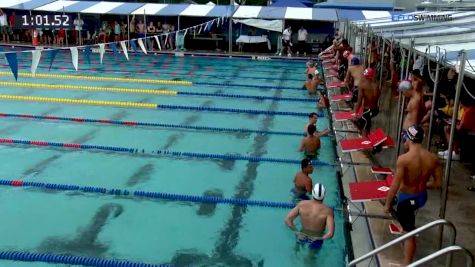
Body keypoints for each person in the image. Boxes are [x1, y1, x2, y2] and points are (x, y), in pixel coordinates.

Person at [384, 125, 442, 265]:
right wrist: (422, 184)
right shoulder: (432, 158)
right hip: (421, 197)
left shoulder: (404, 159)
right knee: (407, 223)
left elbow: (395, 186)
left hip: (406, 200)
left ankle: (407, 262)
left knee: (409, 232)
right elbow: (438, 184)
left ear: (408, 138)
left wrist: (387, 204)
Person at [286, 183, 335, 250]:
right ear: (324, 194)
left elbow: (288, 220)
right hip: (316, 240)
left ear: (313, 193)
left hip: (302, 235)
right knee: (310, 259)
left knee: (296, 252)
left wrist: (297, 232)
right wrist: (319, 238)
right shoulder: (328, 211)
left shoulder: (301, 204)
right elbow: (330, 234)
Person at [353, 68, 381, 137]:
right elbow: (377, 97)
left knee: (363, 127)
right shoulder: (376, 86)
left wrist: (355, 113)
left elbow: (359, 101)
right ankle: (367, 136)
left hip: (368, 111)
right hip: (376, 110)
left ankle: (365, 144)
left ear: (365, 76)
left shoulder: (362, 86)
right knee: (366, 124)